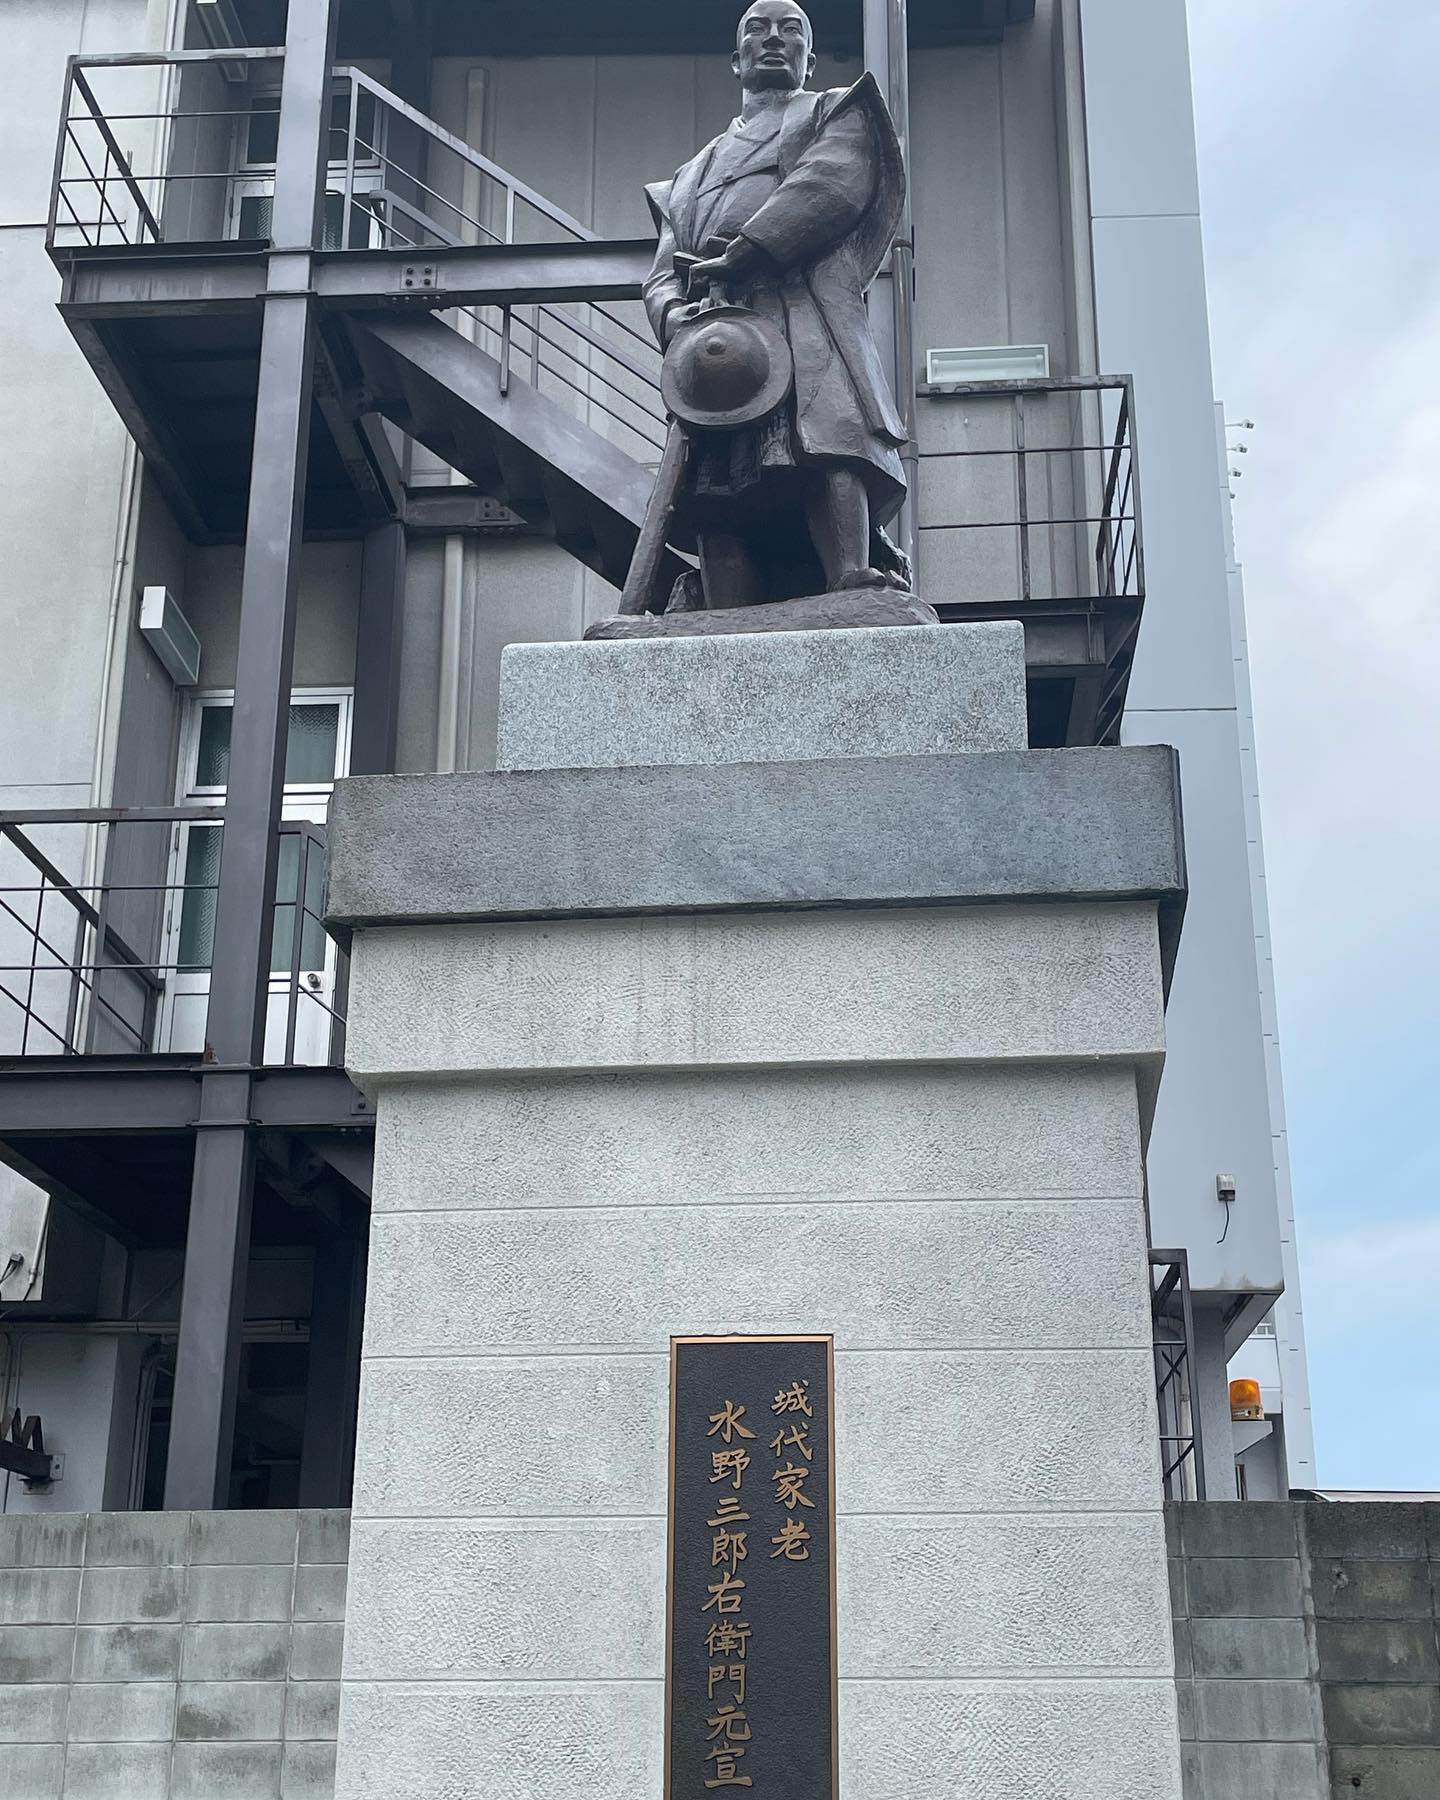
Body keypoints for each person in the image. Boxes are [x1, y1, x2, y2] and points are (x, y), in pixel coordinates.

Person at [642, 0, 910, 609]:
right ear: (735, 60)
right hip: (716, 333)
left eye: (791, 30)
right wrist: (674, 316)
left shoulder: (831, 111)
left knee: (830, 436)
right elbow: (661, 273)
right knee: (714, 481)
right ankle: (726, 604)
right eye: (756, 29)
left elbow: (830, 183)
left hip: (803, 307)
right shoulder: (690, 174)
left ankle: (850, 571)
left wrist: (748, 251)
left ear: (808, 60)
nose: (772, 38)